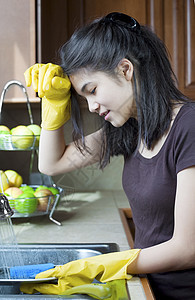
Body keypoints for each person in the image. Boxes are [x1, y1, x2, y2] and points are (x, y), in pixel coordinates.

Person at [22, 12, 195, 300]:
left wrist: (104, 264)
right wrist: (54, 105)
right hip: (148, 287)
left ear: (125, 69)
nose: (90, 106)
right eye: (83, 98)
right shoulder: (130, 128)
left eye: (92, 90)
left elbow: (187, 249)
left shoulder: (188, 127)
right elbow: (51, 164)